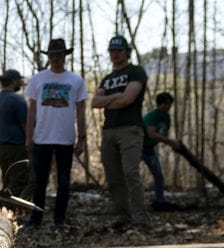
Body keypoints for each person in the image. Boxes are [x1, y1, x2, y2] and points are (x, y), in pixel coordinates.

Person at [24, 38, 88, 229]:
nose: (55, 59)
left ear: (64, 56)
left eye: (59, 55)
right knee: (39, 181)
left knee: (63, 181)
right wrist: (29, 136)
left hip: (65, 138)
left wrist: (82, 139)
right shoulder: (38, 79)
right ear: (48, 57)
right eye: (52, 55)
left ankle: (59, 219)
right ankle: (36, 218)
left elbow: (81, 111)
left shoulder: (75, 80)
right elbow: (32, 110)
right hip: (42, 137)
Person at [91, 35, 149, 230]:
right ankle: (123, 217)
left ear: (126, 52)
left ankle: (141, 219)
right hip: (108, 130)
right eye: (112, 51)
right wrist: (117, 95)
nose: (115, 54)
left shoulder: (136, 71)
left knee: (131, 173)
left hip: (130, 128)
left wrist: (111, 99)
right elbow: (94, 102)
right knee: (113, 176)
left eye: (119, 50)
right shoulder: (107, 79)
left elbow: (128, 99)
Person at [0, 69, 31, 198]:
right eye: (20, 80)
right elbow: (26, 125)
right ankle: (12, 211)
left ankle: (4, 209)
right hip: (16, 147)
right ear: (14, 81)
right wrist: (31, 142)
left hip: (0, 147)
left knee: (7, 180)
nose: (21, 82)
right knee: (19, 179)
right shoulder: (17, 100)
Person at [141, 92, 180, 210]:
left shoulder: (166, 116)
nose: (169, 106)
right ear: (160, 104)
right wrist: (170, 141)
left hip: (150, 150)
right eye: (167, 104)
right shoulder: (152, 116)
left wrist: (172, 143)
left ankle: (160, 200)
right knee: (131, 174)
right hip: (138, 147)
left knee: (158, 175)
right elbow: (151, 134)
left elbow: (163, 133)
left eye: (170, 104)